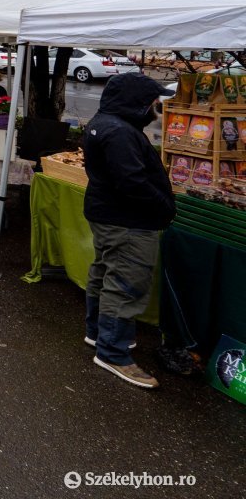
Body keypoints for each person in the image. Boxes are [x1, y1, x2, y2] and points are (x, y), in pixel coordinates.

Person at [82, 73, 174, 389]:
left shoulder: (106, 123)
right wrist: (164, 205)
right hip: (127, 220)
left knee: (105, 272)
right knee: (125, 282)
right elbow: (132, 182)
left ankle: (98, 332)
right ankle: (113, 352)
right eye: (153, 102)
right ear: (136, 102)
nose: (156, 108)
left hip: (110, 215)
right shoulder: (119, 132)